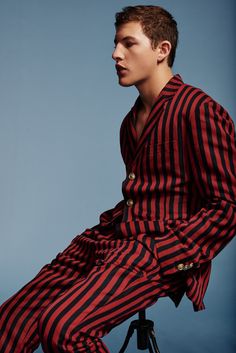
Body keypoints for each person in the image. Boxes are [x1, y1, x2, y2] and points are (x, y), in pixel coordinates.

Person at [0, 5, 235, 353]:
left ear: (161, 50)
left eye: (129, 43)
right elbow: (145, 192)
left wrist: (163, 254)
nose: (115, 53)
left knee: (63, 328)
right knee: (11, 319)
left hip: (158, 246)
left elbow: (228, 207)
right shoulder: (130, 123)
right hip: (116, 236)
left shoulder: (198, 109)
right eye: (115, 43)